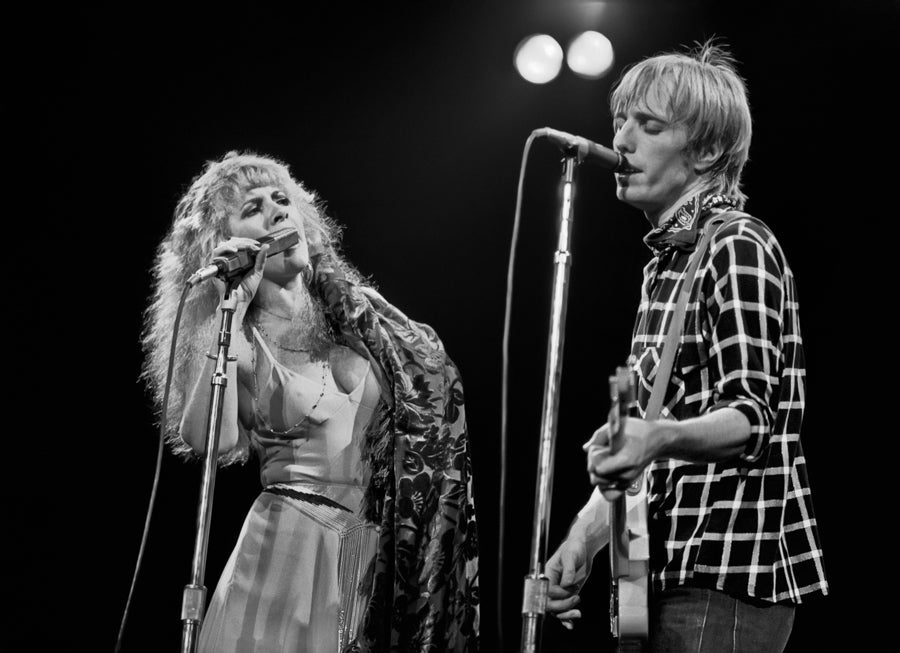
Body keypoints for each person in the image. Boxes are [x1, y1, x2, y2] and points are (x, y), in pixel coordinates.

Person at [544, 40, 829, 652]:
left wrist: (663, 438)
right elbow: (646, 428)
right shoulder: (665, 266)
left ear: (704, 151)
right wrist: (583, 536)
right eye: (620, 122)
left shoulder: (737, 244)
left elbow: (752, 419)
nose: (621, 142)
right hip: (664, 568)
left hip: (724, 569)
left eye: (648, 126)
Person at [141, 151, 480, 652]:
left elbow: (431, 393)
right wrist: (228, 312)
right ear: (226, 244)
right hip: (287, 562)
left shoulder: (361, 321)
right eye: (253, 208)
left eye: (283, 199)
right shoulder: (239, 336)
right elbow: (210, 441)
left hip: (378, 557)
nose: (277, 211)